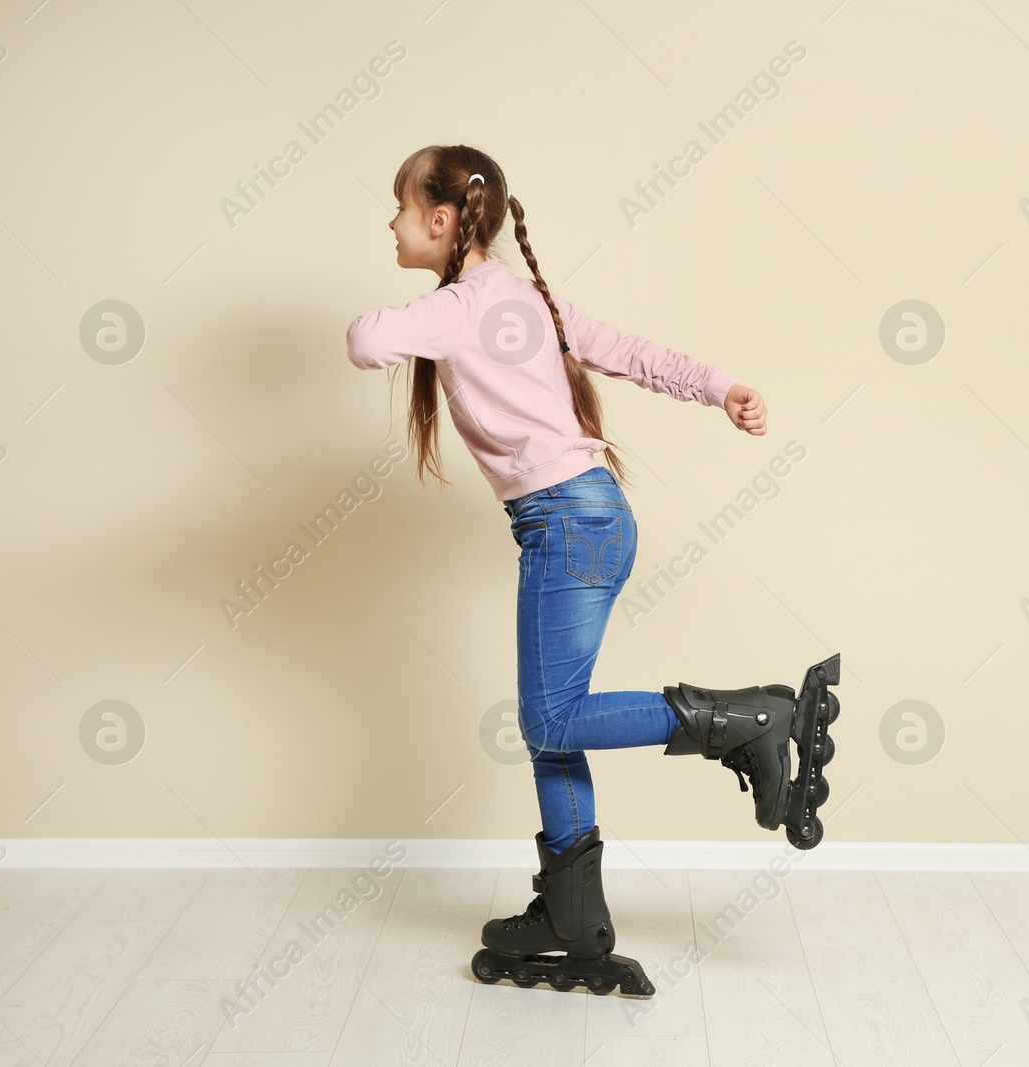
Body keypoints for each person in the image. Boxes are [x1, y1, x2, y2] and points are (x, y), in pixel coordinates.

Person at [345, 144, 839, 996]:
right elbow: (632, 351)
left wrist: (429, 313)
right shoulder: (527, 299)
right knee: (554, 725)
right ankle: (572, 917)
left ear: (440, 219)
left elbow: (364, 340)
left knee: (552, 716)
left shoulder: (467, 306)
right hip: (591, 518)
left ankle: (752, 719)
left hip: (565, 523)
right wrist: (721, 386)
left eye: (398, 206)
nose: (387, 223)